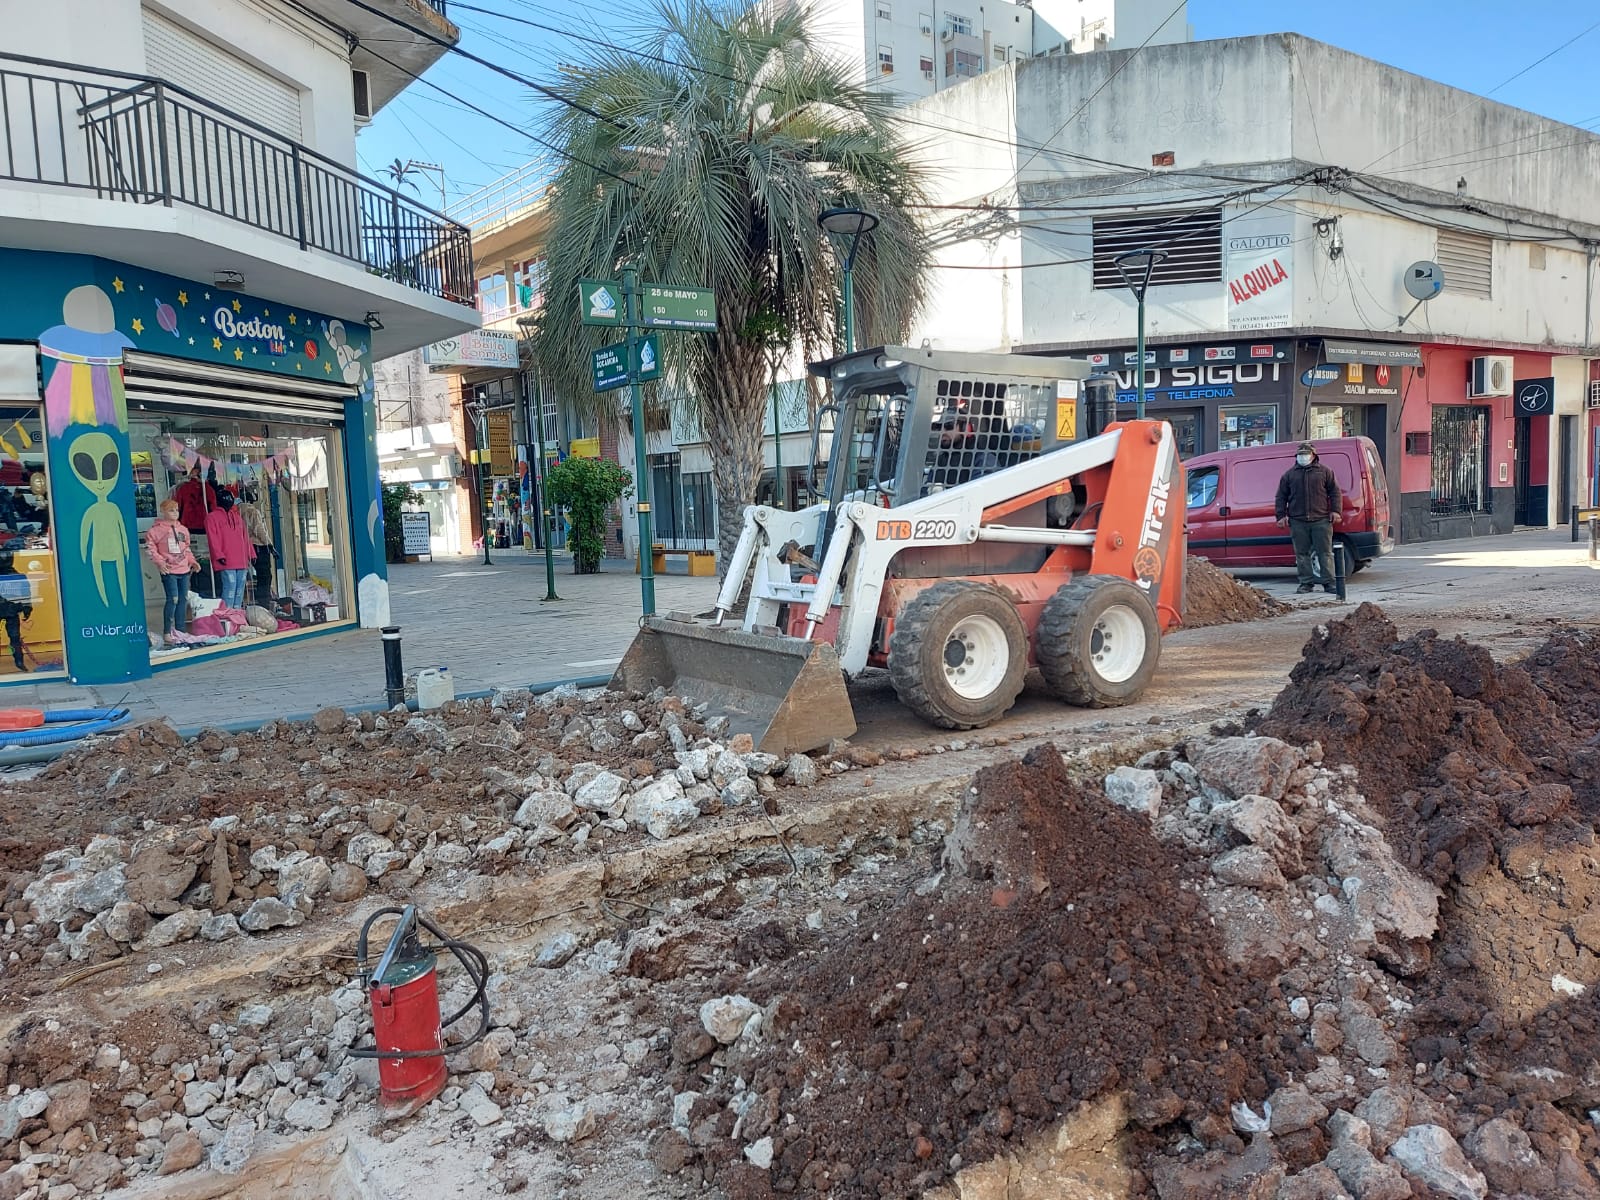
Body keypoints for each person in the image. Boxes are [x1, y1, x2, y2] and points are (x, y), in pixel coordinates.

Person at [1275, 441, 1342, 594]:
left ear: (1313, 456)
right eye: (1300, 455)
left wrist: (1336, 511)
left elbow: (1335, 492)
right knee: (1302, 554)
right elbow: (1281, 496)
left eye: (1305, 454)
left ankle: (1329, 583)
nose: (1303, 457)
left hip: (1321, 520)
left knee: (1324, 553)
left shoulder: (1325, 472)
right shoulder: (1289, 475)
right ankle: (1306, 583)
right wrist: (1280, 515)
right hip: (1298, 521)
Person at [147, 499, 200, 640]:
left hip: (184, 569)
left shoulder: (183, 529)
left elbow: (186, 548)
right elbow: (151, 548)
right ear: (163, 511)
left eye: (176, 510)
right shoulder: (156, 530)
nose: (175, 513)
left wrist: (192, 561)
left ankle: (180, 629)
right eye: (171, 510)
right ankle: (167, 631)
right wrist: (160, 562)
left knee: (182, 599)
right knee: (173, 599)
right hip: (169, 570)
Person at [204, 490, 251, 609]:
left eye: (230, 499)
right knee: (230, 586)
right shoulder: (211, 518)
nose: (229, 501)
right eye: (225, 498)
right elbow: (212, 538)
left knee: (240, 588)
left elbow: (245, 537)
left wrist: (251, 554)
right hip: (226, 558)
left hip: (241, 558)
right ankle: (227, 614)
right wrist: (219, 555)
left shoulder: (237, 517)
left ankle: (237, 613)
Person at [0, 550, 31, 672]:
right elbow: (26, 592)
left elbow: (26, 592)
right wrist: (27, 607)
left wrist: (27, 606)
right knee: (15, 639)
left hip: (11, 609)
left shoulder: (16, 575)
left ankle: (19, 661)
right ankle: (19, 661)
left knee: (15, 638)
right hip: (11, 609)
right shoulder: (16, 575)